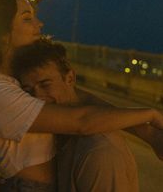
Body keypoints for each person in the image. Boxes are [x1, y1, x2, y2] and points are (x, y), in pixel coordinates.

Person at [0, 0, 163, 192]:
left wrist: (146, 133)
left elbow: (80, 101)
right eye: (27, 18)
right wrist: (150, 114)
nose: (39, 25)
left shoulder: (14, 81)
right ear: (2, 34)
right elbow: (82, 121)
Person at [11, 39, 163, 191]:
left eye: (45, 85)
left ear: (70, 78)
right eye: (28, 90)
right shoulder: (56, 134)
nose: (37, 97)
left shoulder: (98, 152)